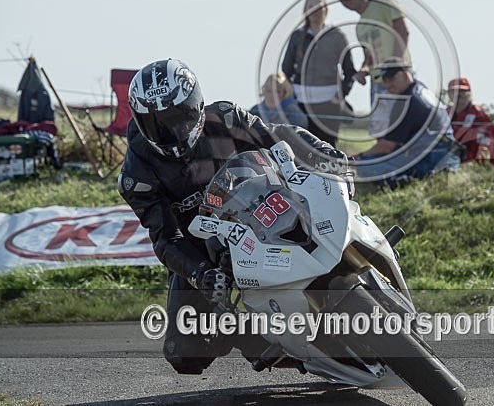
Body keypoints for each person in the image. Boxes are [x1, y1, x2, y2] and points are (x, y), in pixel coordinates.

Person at [118, 59, 346, 375]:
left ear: (195, 105)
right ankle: (274, 343)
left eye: (178, 118)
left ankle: (357, 244)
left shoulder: (224, 117)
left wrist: (318, 152)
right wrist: (200, 273)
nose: (172, 131)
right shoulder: (137, 174)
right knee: (184, 354)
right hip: (207, 245)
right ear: (141, 122)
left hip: (266, 204)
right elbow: (166, 238)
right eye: (158, 123)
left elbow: (277, 136)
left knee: (327, 191)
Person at [354, 58, 462, 183]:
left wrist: (357, 157)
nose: (387, 85)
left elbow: (387, 147)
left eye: (391, 79)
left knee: (364, 165)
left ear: (405, 75)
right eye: (384, 80)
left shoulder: (407, 101)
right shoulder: (420, 88)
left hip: (432, 154)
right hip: (448, 152)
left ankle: (403, 179)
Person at [334, 0, 411, 138]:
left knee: (404, 126)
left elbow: (403, 32)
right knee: (380, 130)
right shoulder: (359, 26)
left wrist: (394, 65)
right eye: (340, 0)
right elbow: (368, 58)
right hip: (377, 82)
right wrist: (362, 72)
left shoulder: (384, 4)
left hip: (399, 77)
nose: (345, 1)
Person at [282, 0, 357, 146]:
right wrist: (291, 96)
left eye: (319, 6)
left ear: (326, 10)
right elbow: (286, 69)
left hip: (329, 103)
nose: (315, 10)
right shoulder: (297, 36)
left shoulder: (336, 36)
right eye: (311, 6)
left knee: (327, 146)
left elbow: (349, 70)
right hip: (301, 102)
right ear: (306, 11)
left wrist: (341, 95)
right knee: (301, 145)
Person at [447, 77, 494, 169]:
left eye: (462, 91)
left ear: (469, 93)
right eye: (454, 91)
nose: (459, 94)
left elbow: (488, 141)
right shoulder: (445, 113)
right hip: (452, 160)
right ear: (449, 94)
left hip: (474, 163)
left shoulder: (478, 114)